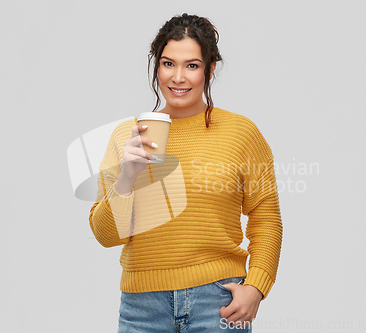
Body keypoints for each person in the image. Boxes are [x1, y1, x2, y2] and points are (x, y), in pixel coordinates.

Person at [89, 13, 283, 332]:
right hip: (142, 308)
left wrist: (257, 287)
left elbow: (266, 216)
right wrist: (126, 177)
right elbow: (106, 236)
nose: (178, 77)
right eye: (168, 63)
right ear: (157, 66)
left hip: (217, 300)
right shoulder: (128, 136)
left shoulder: (240, 132)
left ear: (210, 69)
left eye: (191, 65)